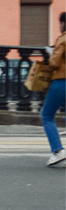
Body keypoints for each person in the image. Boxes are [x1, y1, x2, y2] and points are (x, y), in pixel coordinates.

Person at [42, 11, 66, 168]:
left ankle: (58, 151)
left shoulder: (63, 39)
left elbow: (55, 62)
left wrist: (50, 55)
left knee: (47, 115)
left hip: (61, 81)